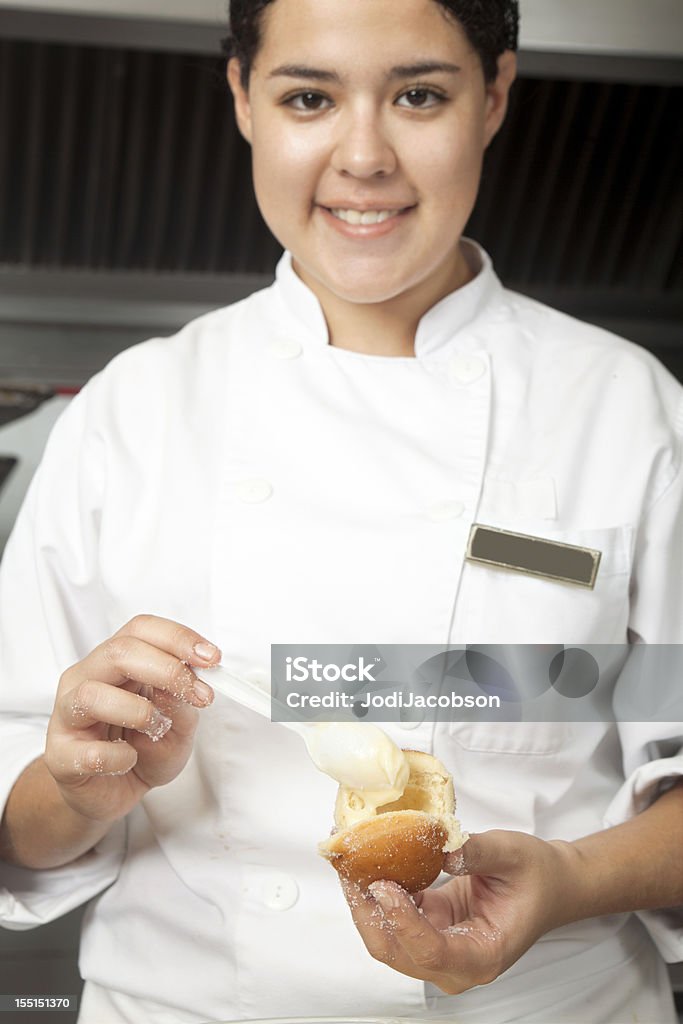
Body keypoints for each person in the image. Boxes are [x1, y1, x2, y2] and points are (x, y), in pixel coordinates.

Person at [1, 1, 682, 1021]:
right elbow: (16, 805)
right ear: (241, 98)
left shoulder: (624, 410)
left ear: (493, 95)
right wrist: (77, 785)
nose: (362, 157)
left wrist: (573, 880)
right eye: (308, 97)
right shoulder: (128, 415)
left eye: (417, 94)